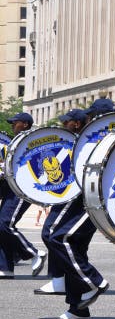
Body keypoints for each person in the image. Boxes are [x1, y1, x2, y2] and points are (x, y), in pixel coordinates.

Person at [47, 104, 111, 319]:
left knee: (59, 238)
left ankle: (93, 282)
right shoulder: (83, 141)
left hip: (97, 197)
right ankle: (78, 309)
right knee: (73, 246)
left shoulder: (103, 137)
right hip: (83, 195)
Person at [0, 112, 47, 279]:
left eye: (15, 122)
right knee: (1, 227)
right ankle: (5, 267)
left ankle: (34, 254)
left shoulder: (30, 142)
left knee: (5, 224)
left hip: (20, 189)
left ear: (25, 124)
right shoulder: (16, 142)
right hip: (10, 187)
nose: (12, 125)